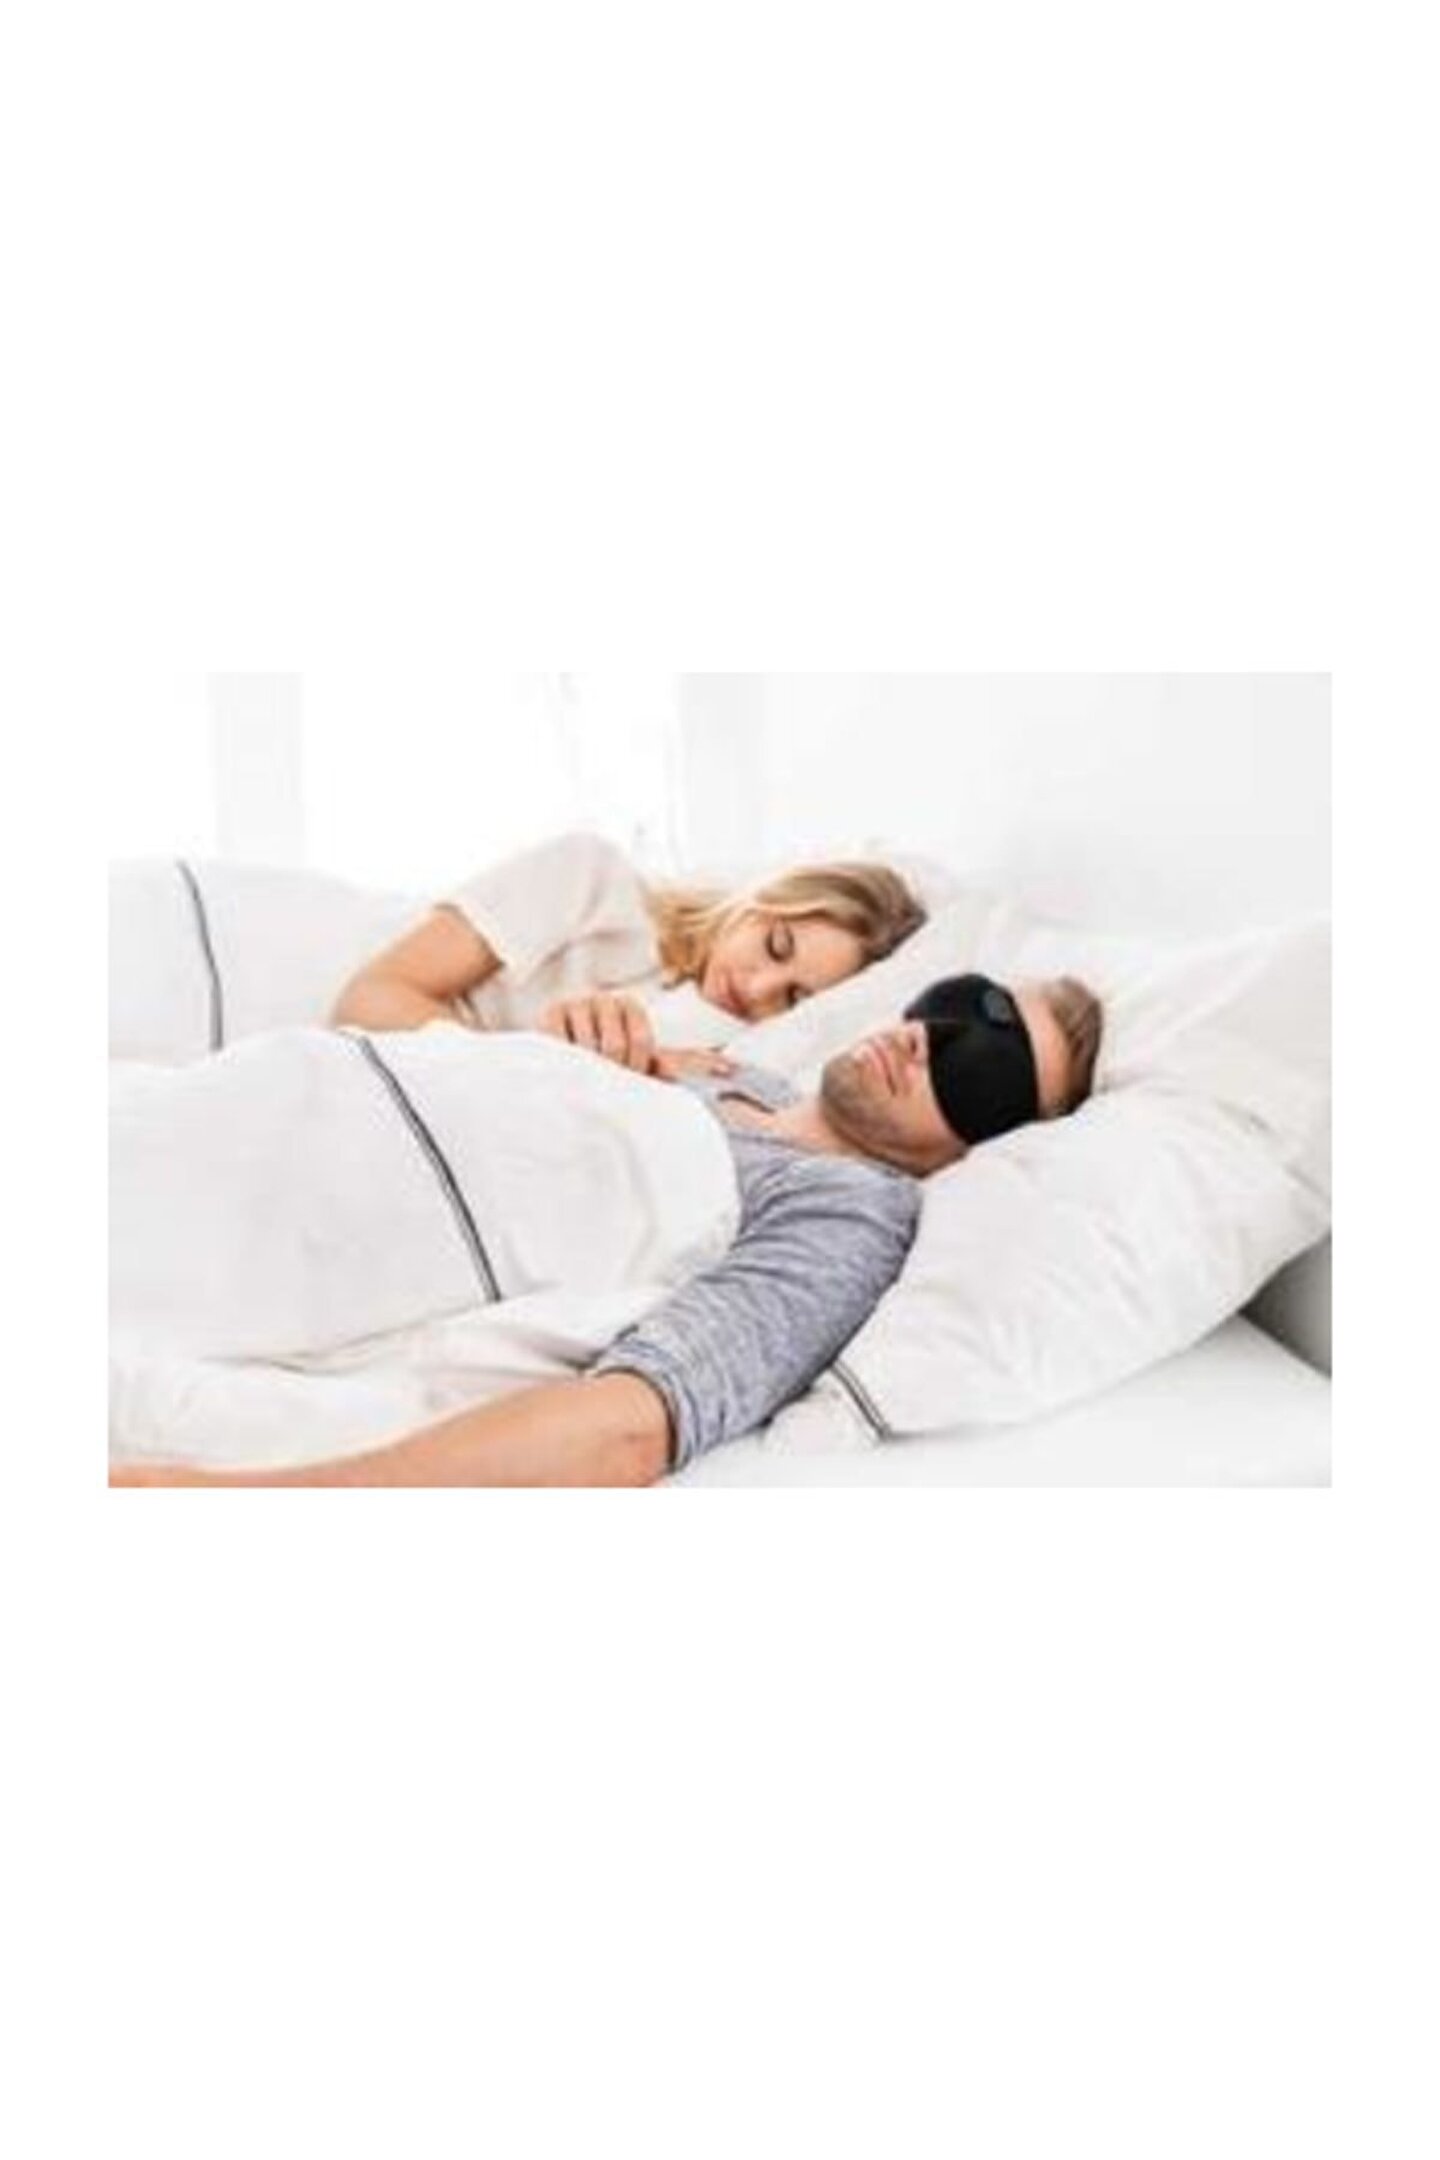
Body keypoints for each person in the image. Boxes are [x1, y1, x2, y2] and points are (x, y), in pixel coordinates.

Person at [111, 972, 1104, 1488]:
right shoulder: (730, 1071)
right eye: (951, 1005)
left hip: (273, 1219)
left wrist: (211, 1501)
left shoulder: (850, 1213)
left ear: (986, 1150)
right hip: (255, 1101)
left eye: (986, 1068)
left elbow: (630, 1428)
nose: (931, 1039)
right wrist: (554, 1042)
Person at [330, 830, 928, 1070]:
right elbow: (370, 998)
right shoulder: (592, 878)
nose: (755, 989)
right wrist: (538, 1066)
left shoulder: (718, 1046)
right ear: (762, 897)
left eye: (792, 998)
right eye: (776, 946)